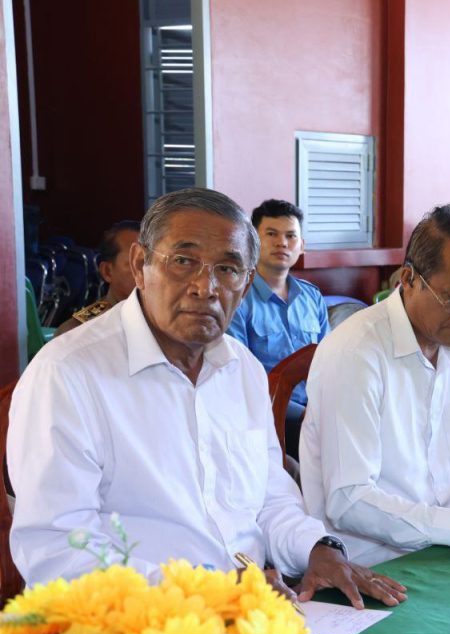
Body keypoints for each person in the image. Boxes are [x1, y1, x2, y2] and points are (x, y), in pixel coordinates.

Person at [8, 188, 405, 610]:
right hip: (136, 625)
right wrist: (206, 594)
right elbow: (58, 551)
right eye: (183, 261)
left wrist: (317, 547)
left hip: (260, 610)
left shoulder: (243, 369)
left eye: (228, 269)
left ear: (246, 283)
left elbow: (269, 496)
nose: (206, 287)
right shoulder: (68, 373)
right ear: (140, 265)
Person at [301, 203, 450, 566]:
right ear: (409, 279)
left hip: (447, 549)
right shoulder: (356, 351)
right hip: (370, 563)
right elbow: (349, 499)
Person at [227, 199, 329, 455]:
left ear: (302, 246)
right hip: (265, 417)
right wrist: (303, 414)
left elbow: (329, 362)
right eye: (271, 234)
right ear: (251, 242)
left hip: (318, 412)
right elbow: (238, 375)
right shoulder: (238, 298)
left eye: (290, 236)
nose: (282, 243)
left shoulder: (312, 297)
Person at [53, 221, 140, 337]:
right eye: (138, 264)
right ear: (107, 272)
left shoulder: (161, 319)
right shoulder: (79, 331)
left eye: (155, 263)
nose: (150, 272)